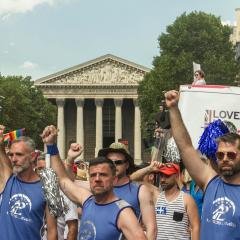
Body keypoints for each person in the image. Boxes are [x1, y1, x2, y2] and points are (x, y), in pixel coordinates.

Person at [41, 125, 147, 240]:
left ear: (114, 179)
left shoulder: (124, 213)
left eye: (103, 175)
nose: (97, 179)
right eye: (93, 175)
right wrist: (51, 145)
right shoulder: (87, 201)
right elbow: (63, 179)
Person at [165, 90, 240, 239]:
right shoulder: (210, 181)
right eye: (220, 155)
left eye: (231, 154)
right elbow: (185, 148)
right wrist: (173, 108)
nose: (224, 158)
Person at [0, 126, 57, 240]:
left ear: (33, 157)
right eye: (11, 155)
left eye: (19, 154)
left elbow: (52, 231)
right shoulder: (8, 180)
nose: (14, 159)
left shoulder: (49, 188)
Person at [98, 142, 157, 240]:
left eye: (118, 162)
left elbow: (151, 228)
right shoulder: (98, 188)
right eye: (109, 162)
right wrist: (70, 160)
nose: (113, 165)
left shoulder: (140, 191)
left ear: (127, 165)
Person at [131, 161, 200, 240]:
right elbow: (132, 179)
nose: (163, 179)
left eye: (167, 176)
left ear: (176, 176)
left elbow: (195, 227)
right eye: (161, 175)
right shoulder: (157, 195)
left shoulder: (187, 199)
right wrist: (149, 168)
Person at [36, 152, 78, 240]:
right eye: (40, 169)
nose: (43, 172)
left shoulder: (65, 195)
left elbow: (72, 228)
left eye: (46, 168)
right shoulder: (34, 192)